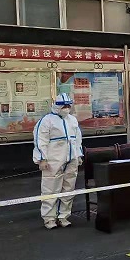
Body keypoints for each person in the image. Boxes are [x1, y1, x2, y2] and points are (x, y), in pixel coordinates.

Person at [32, 93, 83, 230]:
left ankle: (63, 216)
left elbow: (77, 139)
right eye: (64, 106)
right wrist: (42, 159)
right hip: (53, 160)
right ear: (57, 106)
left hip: (71, 159)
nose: (66, 108)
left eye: (68, 106)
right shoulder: (47, 120)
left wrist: (78, 155)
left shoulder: (72, 120)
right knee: (50, 188)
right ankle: (49, 218)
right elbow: (40, 140)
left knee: (68, 188)